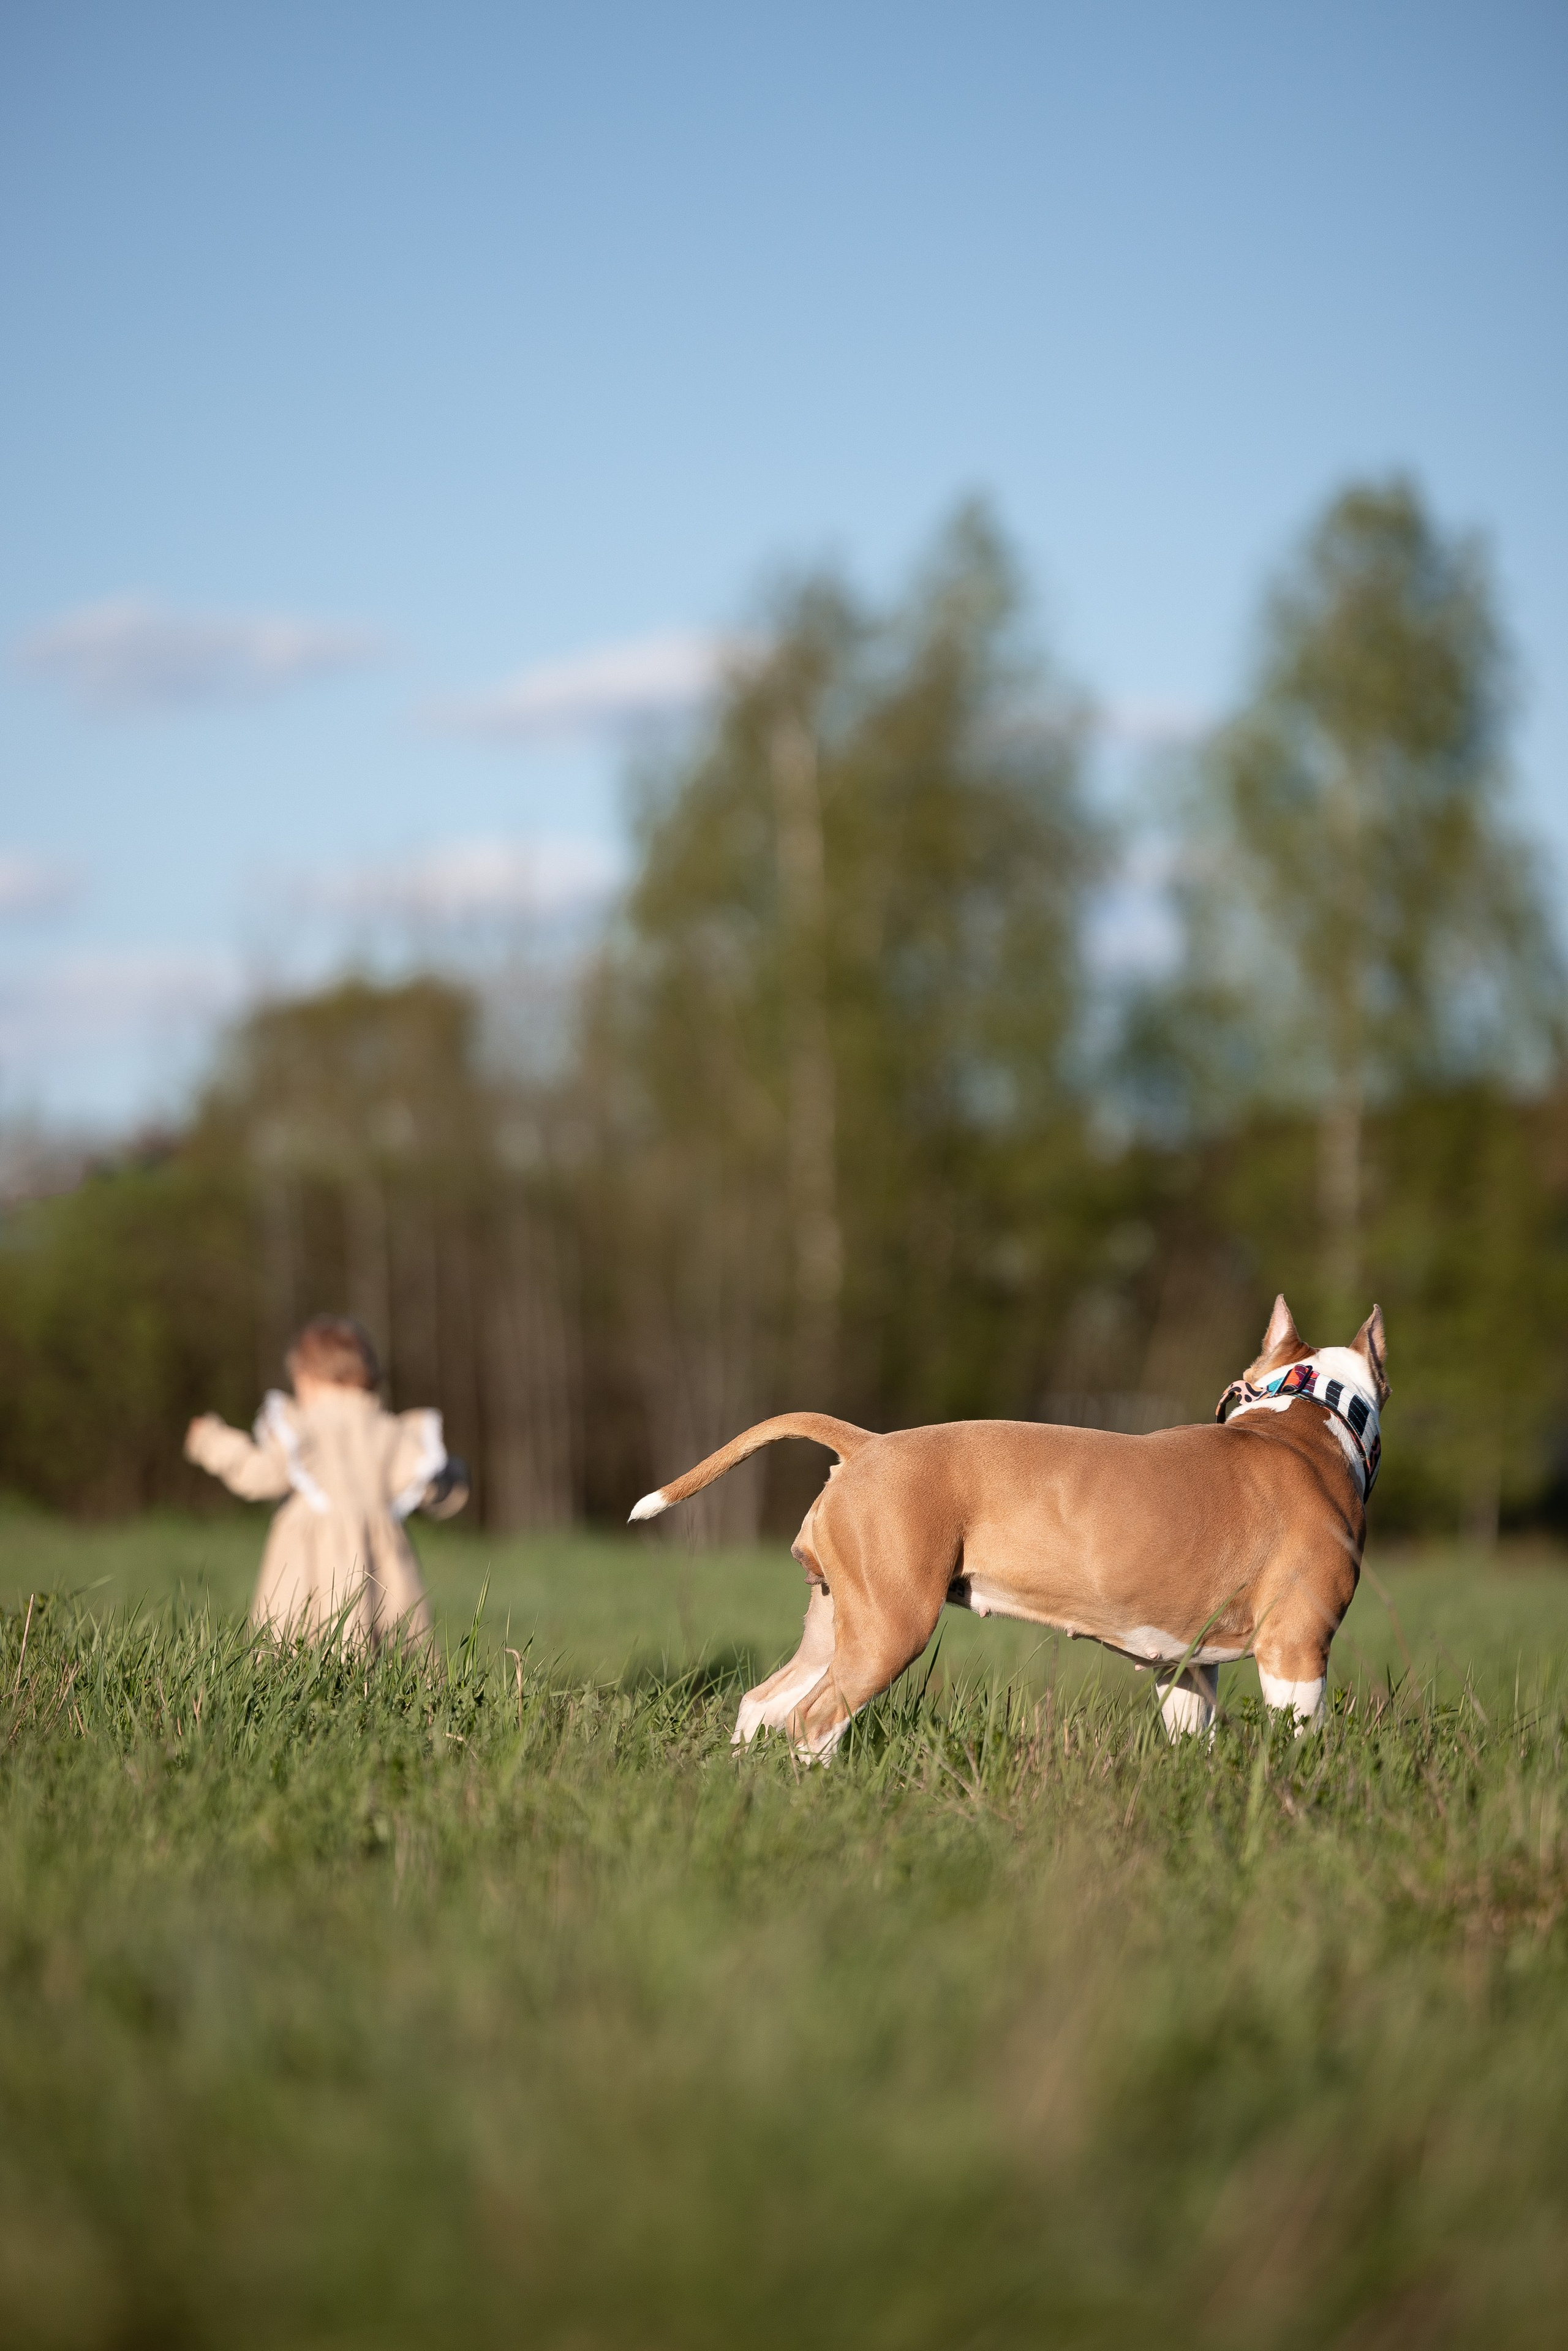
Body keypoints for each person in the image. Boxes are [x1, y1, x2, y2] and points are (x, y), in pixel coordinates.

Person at [184, 1315, 468, 1647]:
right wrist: (457, 1478)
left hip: (310, 1570)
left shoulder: (303, 1428)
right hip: (382, 1571)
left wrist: (211, 1442)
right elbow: (432, 1484)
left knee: (295, 1648)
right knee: (393, 1650)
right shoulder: (392, 1433)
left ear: (306, 1378)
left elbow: (263, 1474)